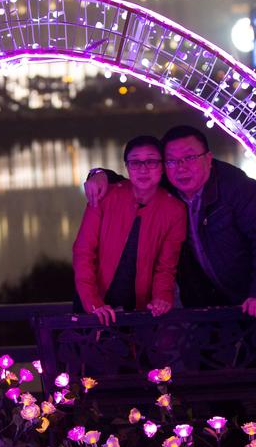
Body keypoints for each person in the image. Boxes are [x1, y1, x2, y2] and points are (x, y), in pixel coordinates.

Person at [85, 125, 256, 317]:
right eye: (171, 160)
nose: (181, 167)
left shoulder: (237, 187)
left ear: (208, 158)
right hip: (214, 303)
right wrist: (99, 173)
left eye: (190, 158)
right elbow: (137, 180)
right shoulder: (168, 187)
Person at [73, 135, 186, 326]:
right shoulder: (104, 197)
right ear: (126, 167)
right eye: (135, 163)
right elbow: (83, 252)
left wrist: (162, 297)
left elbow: (166, 266)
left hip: (142, 311)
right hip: (94, 306)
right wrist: (93, 303)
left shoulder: (174, 209)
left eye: (151, 161)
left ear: (162, 167)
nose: (143, 169)